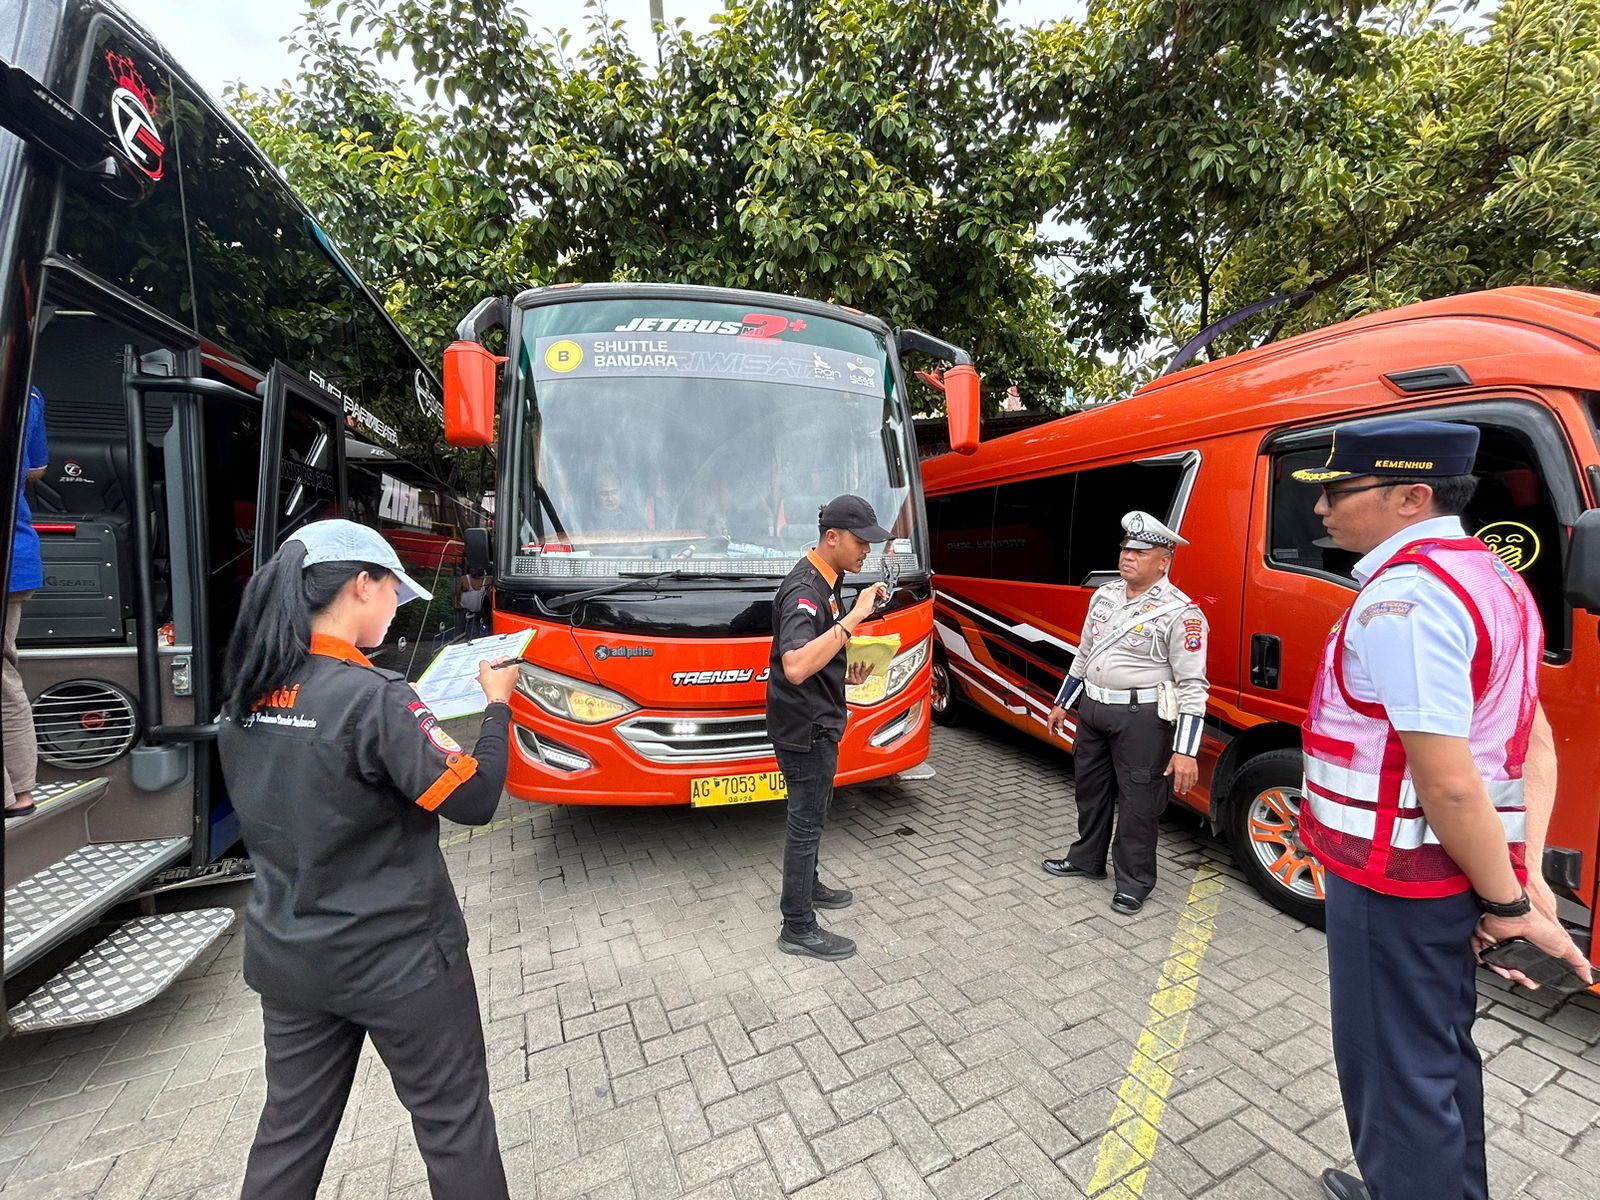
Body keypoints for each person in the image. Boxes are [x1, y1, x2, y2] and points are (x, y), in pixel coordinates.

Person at [1290, 419, 1591, 1200]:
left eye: (1337, 492)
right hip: (1445, 876)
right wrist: (1518, 876)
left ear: (1411, 496)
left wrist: (1510, 900)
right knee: (1436, 1059)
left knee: (1395, 1077)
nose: (1320, 510)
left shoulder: (1406, 599)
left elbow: (1450, 782)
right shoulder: (1494, 578)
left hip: (1395, 881)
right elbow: (1533, 740)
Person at [217, 519, 517, 1200]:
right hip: (399, 961)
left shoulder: (248, 691)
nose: (396, 608)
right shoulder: (374, 697)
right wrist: (497, 708)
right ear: (362, 584)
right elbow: (473, 798)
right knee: (454, 1127)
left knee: (288, 1136)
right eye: (394, 592)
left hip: (290, 958)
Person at [1044, 510, 1209, 915]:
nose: (1128, 556)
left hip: (1142, 719)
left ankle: (1134, 881)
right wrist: (1063, 703)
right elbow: (1084, 654)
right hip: (1095, 708)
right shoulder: (1105, 596)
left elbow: (1193, 686)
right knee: (1090, 790)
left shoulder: (1181, 613)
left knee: (1138, 802)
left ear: (1163, 561)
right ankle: (1086, 859)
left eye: (1140, 550)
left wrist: (1185, 751)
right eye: (1125, 549)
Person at [766, 495, 890, 961]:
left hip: (813, 720)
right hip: (806, 727)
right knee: (806, 823)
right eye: (861, 542)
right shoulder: (805, 588)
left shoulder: (826, 581)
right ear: (832, 537)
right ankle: (797, 926)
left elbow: (816, 652)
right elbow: (796, 664)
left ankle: (809, 886)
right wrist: (855, 617)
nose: (867, 553)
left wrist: (845, 667)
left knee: (814, 816)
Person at [4, 386, 48, 819]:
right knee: (4, 674)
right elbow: (37, 469)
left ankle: (13, 793)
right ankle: (20, 789)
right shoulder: (29, 393)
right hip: (17, 551)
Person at [452, 567, 491, 639]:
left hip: (477, 612)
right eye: (472, 569)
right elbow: (456, 593)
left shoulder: (487, 580)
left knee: (474, 633)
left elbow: (489, 596)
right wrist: (456, 605)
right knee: (460, 632)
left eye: (476, 569)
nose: (473, 570)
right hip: (463, 610)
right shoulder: (464, 579)